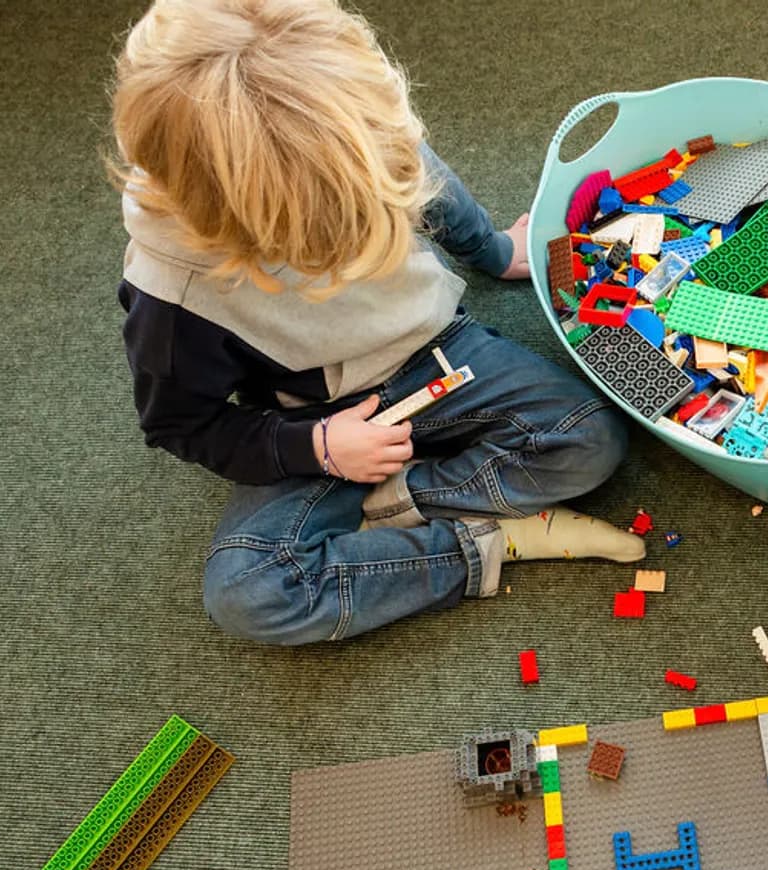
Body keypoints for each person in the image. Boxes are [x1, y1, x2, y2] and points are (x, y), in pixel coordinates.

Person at [110, 0, 643, 646]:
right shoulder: (173, 298)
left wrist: (497, 252)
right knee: (248, 592)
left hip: (437, 352)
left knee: (591, 439)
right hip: (319, 414)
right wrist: (318, 448)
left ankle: (389, 506)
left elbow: (428, 179)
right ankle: (483, 545)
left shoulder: (352, 120)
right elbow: (180, 424)